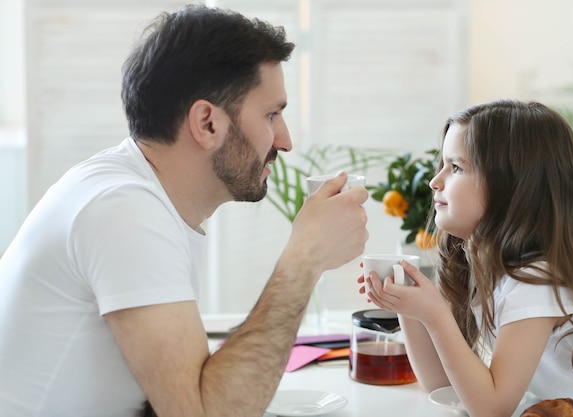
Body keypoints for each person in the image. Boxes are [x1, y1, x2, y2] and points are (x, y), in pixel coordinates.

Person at [0, 5, 369, 417]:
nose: (284, 141)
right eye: (271, 114)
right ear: (207, 123)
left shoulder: (134, 193)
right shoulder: (125, 211)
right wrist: (305, 259)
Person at [359, 99, 573, 416]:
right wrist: (407, 307)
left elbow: (492, 410)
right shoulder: (485, 265)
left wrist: (435, 315)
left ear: (513, 188)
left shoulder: (535, 282)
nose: (435, 181)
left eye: (456, 167)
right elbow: (442, 386)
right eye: (442, 164)